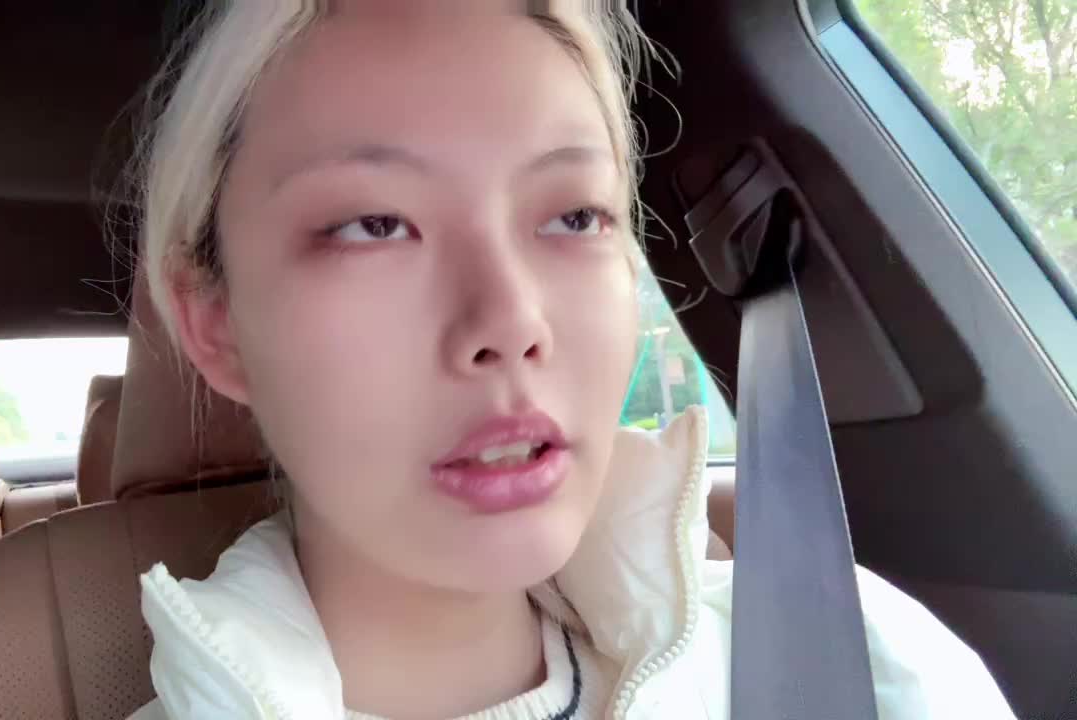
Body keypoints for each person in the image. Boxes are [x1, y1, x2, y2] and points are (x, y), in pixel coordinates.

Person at [126, 1, 1016, 718]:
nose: (511, 320)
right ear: (214, 324)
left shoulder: (861, 660)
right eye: (374, 225)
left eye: (575, 215)